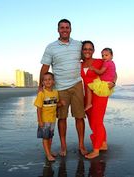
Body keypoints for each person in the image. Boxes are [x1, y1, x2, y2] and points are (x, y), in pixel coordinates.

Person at [38, 19, 87, 156]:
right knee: (62, 118)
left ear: (71, 29)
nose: (64, 29)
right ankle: (63, 147)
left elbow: (88, 58)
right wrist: (40, 87)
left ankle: (81, 146)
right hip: (60, 87)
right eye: (62, 27)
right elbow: (45, 68)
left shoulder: (78, 45)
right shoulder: (51, 47)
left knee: (79, 117)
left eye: (67, 27)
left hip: (77, 84)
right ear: (58, 30)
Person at [81, 40, 117, 159]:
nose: (87, 51)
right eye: (85, 49)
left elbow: (114, 72)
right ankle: (103, 144)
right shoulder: (79, 64)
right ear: (82, 50)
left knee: (97, 120)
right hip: (87, 95)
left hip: (100, 93)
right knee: (92, 121)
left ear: (93, 50)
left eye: (90, 49)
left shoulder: (100, 61)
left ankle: (96, 150)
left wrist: (113, 82)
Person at [34, 72, 65, 161]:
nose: (47, 81)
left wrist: (61, 104)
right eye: (45, 80)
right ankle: (48, 154)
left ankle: (49, 151)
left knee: (50, 136)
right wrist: (40, 121)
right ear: (42, 82)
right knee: (45, 137)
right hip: (44, 119)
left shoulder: (55, 92)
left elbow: (54, 104)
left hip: (52, 119)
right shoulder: (42, 93)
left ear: (53, 81)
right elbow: (38, 108)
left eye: (49, 79)